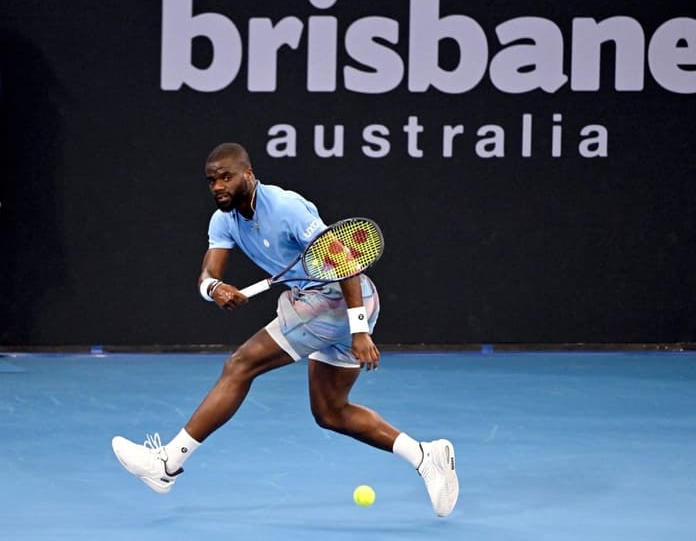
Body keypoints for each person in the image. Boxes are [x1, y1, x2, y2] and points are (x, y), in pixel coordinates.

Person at [111, 142, 459, 517]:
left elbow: (345, 262)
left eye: (226, 177)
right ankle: (426, 456)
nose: (218, 187)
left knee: (240, 365)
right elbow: (208, 275)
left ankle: (167, 463)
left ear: (248, 174)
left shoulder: (287, 208)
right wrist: (215, 289)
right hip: (324, 303)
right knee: (330, 411)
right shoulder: (223, 220)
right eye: (211, 181)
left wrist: (359, 330)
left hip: (336, 300)